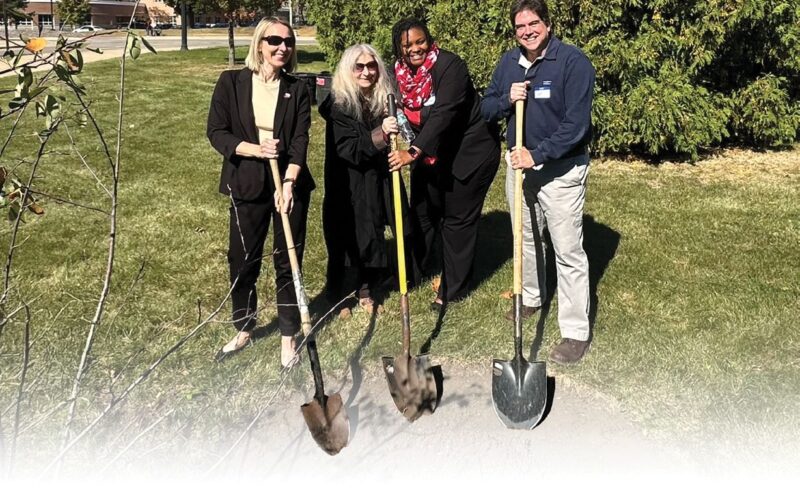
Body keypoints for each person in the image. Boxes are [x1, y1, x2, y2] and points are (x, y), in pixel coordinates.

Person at [482, 0, 595, 364]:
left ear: (547, 23)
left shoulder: (573, 63)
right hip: (519, 167)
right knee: (525, 238)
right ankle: (531, 297)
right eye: (520, 26)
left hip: (560, 171)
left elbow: (576, 126)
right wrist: (507, 98)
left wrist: (538, 154)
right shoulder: (509, 63)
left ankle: (575, 331)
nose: (527, 31)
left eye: (533, 23)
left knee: (567, 250)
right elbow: (485, 108)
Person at [207, 17, 314, 367]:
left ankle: (288, 334)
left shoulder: (297, 88)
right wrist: (255, 150)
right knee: (242, 259)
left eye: (289, 42)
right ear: (259, 43)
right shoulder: (231, 82)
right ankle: (244, 327)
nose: (282, 47)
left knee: (288, 259)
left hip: (288, 184)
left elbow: (300, 140)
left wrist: (289, 183)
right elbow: (216, 132)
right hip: (246, 182)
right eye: (274, 41)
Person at [387, 18, 500, 311]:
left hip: (469, 153)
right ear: (398, 48)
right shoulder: (396, 74)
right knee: (421, 214)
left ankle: (453, 289)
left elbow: (444, 113)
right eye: (407, 45)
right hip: (431, 153)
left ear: (429, 40)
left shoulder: (450, 67)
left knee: (456, 220)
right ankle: (411, 273)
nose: (416, 49)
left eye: (420, 41)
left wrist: (413, 152)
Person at [319, 44, 412, 316]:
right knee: (347, 235)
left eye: (372, 66)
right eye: (359, 67)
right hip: (348, 181)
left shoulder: (381, 100)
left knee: (372, 231)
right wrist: (381, 133)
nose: (366, 72)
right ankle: (341, 294)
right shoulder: (339, 105)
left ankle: (367, 289)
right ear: (348, 70)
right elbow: (349, 148)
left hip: (375, 177)